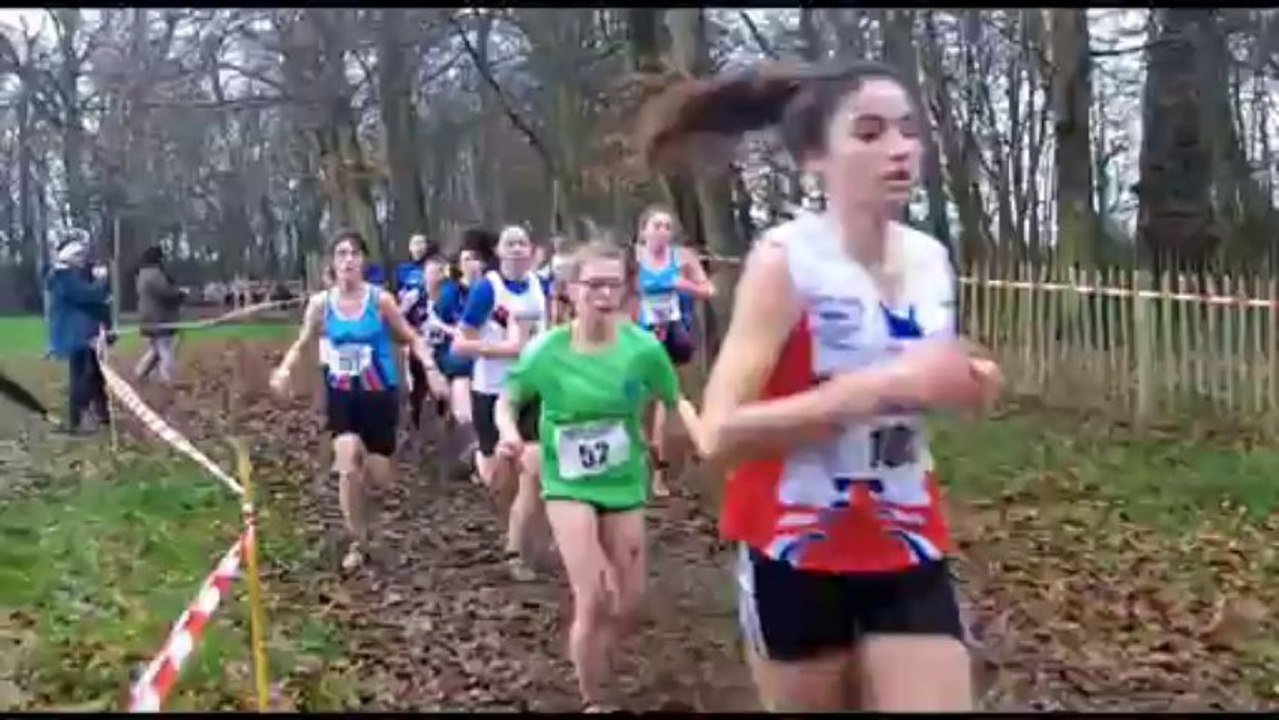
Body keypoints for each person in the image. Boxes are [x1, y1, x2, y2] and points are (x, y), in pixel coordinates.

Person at [638, 60, 1003, 711]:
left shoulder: (929, 259)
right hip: (796, 545)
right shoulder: (786, 261)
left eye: (905, 130)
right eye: (868, 133)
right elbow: (719, 435)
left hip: (904, 538)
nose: (897, 148)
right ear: (814, 158)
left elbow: (920, 363)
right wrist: (875, 388)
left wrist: (966, 375)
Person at [495, 238, 700, 711]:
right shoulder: (547, 350)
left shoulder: (642, 348)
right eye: (594, 286)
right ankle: (594, 700)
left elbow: (675, 398)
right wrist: (508, 433)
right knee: (593, 596)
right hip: (567, 482)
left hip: (622, 480)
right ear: (570, 290)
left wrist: (700, 435)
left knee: (627, 602)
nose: (605, 296)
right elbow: (510, 400)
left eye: (615, 285)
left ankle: (600, 657)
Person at [270, 228, 436, 572]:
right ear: (333, 262)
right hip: (342, 395)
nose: (348, 260)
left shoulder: (380, 301)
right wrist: (285, 369)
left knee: (379, 477)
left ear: (363, 261)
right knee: (346, 462)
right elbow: (303, 343)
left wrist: (431, 369)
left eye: (354, 254)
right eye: (342, 253)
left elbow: (410, 337)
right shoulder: (320, 305)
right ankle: (357, 542)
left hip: (379, 395)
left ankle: (370, 521)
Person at [450, 224, 550, 580]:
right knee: (498, 477)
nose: (519, 249)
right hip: (490, 389)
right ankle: (514, 523)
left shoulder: (542, 286)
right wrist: (503, 349)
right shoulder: (485, 290)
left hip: (532, 390)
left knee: (532, 468)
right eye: (511, 243)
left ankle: (517, 549)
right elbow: (460, 344)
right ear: (500, 251)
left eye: (524, 242)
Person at [632, 206, 715, 498]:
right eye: (656, 226)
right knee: (634, 400)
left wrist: (686, 285)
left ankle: (659, 476)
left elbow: (709, 290)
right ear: (643, 231)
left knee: (667, 401)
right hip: (638, 335)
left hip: (672, 333)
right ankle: (638, 464)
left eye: (667, 227)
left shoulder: (682, 259)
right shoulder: (632, 260)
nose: (662, 232)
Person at [46, 230, 113, 435]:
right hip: (77, 335)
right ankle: (79, 418)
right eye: (77, 255)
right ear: (68, 256)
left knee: (94, 374)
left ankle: (101, 413)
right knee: (83, 376)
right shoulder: (63, 276)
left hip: (85, 332)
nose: (82, 259)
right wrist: (102, 281)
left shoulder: (70, 275)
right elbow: (88, 295)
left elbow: (94, 301)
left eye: (82, 255)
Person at [134, 245, 186, 385]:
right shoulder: (155, 274)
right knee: (165, 349)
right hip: (160, 318)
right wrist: (180, 294)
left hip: (148, 318)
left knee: (156, 350)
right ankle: (168, 378)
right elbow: (165, 293)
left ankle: (140, 372)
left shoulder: (142, 273)